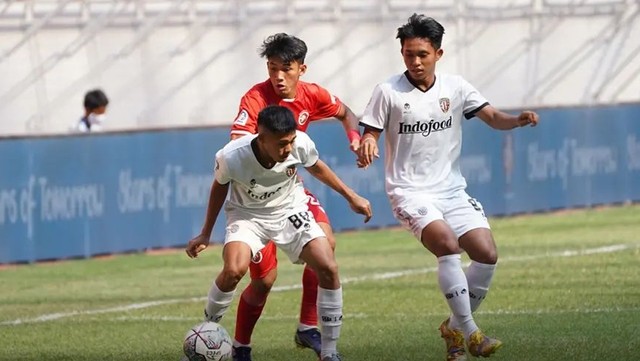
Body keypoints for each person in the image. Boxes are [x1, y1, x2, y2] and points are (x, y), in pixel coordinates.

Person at [357, 14, 539, 361]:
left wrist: (516, 120)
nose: (415, 62)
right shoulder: (388, 92)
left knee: (487, 253)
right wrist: (367, 141)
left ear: (438, 53)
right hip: (409, 191)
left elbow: (492, 117)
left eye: (422, 54)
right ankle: (471, 332)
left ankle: (452, 327)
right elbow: (371, 130)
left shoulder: (456, 87)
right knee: (447, 244)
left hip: (451, 189)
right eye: (409, 54)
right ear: (402, 53)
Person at [186, 105, 372, 361]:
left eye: (291, 141)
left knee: (328, 266)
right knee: (233, 271)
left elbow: (316, 167)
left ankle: (329, 352)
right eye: (282, 143)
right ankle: (205, 331)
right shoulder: (232, 156)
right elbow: (219, 187)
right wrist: (205, 233)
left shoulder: (300, 144)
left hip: (289, 210)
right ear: (261, 138)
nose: (288, 148)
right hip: (246, 215)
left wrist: (351, 195)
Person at [227, 33, 361, 360]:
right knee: (264, 281)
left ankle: (308, 327)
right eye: (272, 68)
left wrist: (354, 137)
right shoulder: (255, 99)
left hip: (290, 192)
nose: (278, 77)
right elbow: (239, 146)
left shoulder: (312, 95)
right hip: (255, 202)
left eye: (286, 69)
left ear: (302, 68)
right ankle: (241, 347)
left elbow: (346, 113)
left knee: (326, 246)